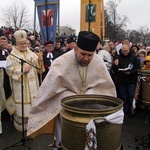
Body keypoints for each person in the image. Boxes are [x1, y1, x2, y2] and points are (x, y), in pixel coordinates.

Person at [27, 31, 117, 149]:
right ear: (75, 49)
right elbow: (49, 89)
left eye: (90, 55)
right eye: (83, 54)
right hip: (66, 110)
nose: (86, 58)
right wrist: (72, 98)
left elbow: (106, 88)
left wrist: (89, 96)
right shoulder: (61, 62)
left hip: (90, 110)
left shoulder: (98, 61)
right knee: (65, 141)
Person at [5, 30, 45, 131]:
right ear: (16, 44)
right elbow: (9, 70)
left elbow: (39, 69)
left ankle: (32, 126)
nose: (24, 45)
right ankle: (21, 127)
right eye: (21, 43)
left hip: (33, 86)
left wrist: (40, 61)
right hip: (21, 86)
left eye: (25, 43)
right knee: (22, 108)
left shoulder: (31, 53)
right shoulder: (12, 56)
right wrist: (22, 70)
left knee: (32, 107)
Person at [112, 44, 140, 117]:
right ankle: (126, 109)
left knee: (131, 95)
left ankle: (132, 109)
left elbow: (137, 68)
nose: (125, 53)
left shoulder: (134, 57)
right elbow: (114, 70)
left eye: (126, 51)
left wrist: (130, 72)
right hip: (122, 80)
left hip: (131, 80)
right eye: (123, 51)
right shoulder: (118, 57)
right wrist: (115, 65)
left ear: (129, 49)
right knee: (124, 96)